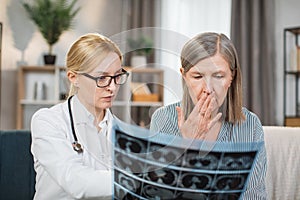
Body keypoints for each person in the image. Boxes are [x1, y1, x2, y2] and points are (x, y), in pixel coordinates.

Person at [150, 32, 267, 199]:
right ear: (184, 75)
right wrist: (186, 146)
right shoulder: (163, 119)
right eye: (197, 76)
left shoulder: (250, 125)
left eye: (218, 76)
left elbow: (254, 196)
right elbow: (158, 194)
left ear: (231, 77)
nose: (208, 88)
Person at [30, 33, 129, 199]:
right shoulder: (48, 121)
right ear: (73, 77)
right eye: (102, 78)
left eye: (117, 76)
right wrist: (137, 181)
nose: (112, 87)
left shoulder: (123, 132)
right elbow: (76, 182)